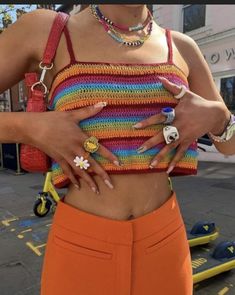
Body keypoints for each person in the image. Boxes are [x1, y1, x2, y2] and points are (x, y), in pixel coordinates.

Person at [0, 4, 235, 295]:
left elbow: (229, 144)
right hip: (81, 246)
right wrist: (32, 128)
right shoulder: (46, 30)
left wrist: (218, 116)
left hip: (166, 241)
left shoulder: (182, 46)